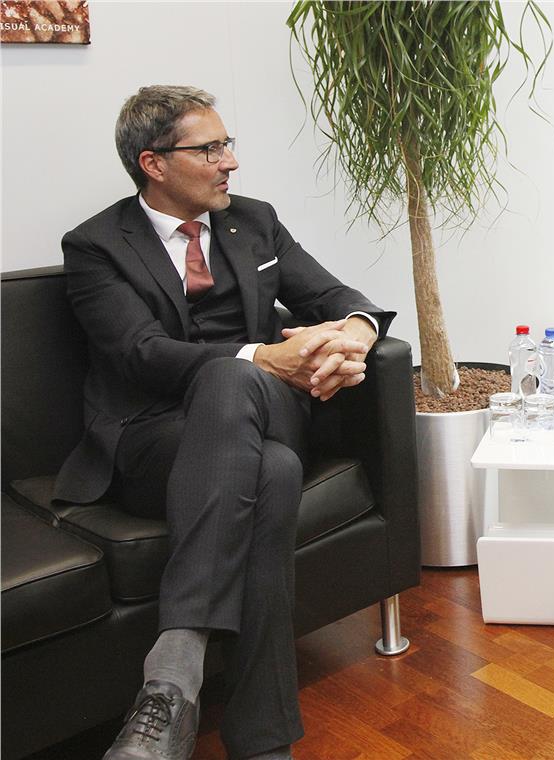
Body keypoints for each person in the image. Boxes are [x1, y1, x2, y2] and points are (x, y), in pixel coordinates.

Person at [54, 85, 394, 760]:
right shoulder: (96, 245)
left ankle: (174, 668)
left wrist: (355, 331)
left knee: (234, 382)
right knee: (273, 472)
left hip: (267, 409)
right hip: (153, 438)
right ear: (154, 163)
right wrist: (262, 356)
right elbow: (140, 354)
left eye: (227, 144)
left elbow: (335, 295)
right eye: (210, 149)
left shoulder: (254, 221)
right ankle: (263, 745)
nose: (229, 162)